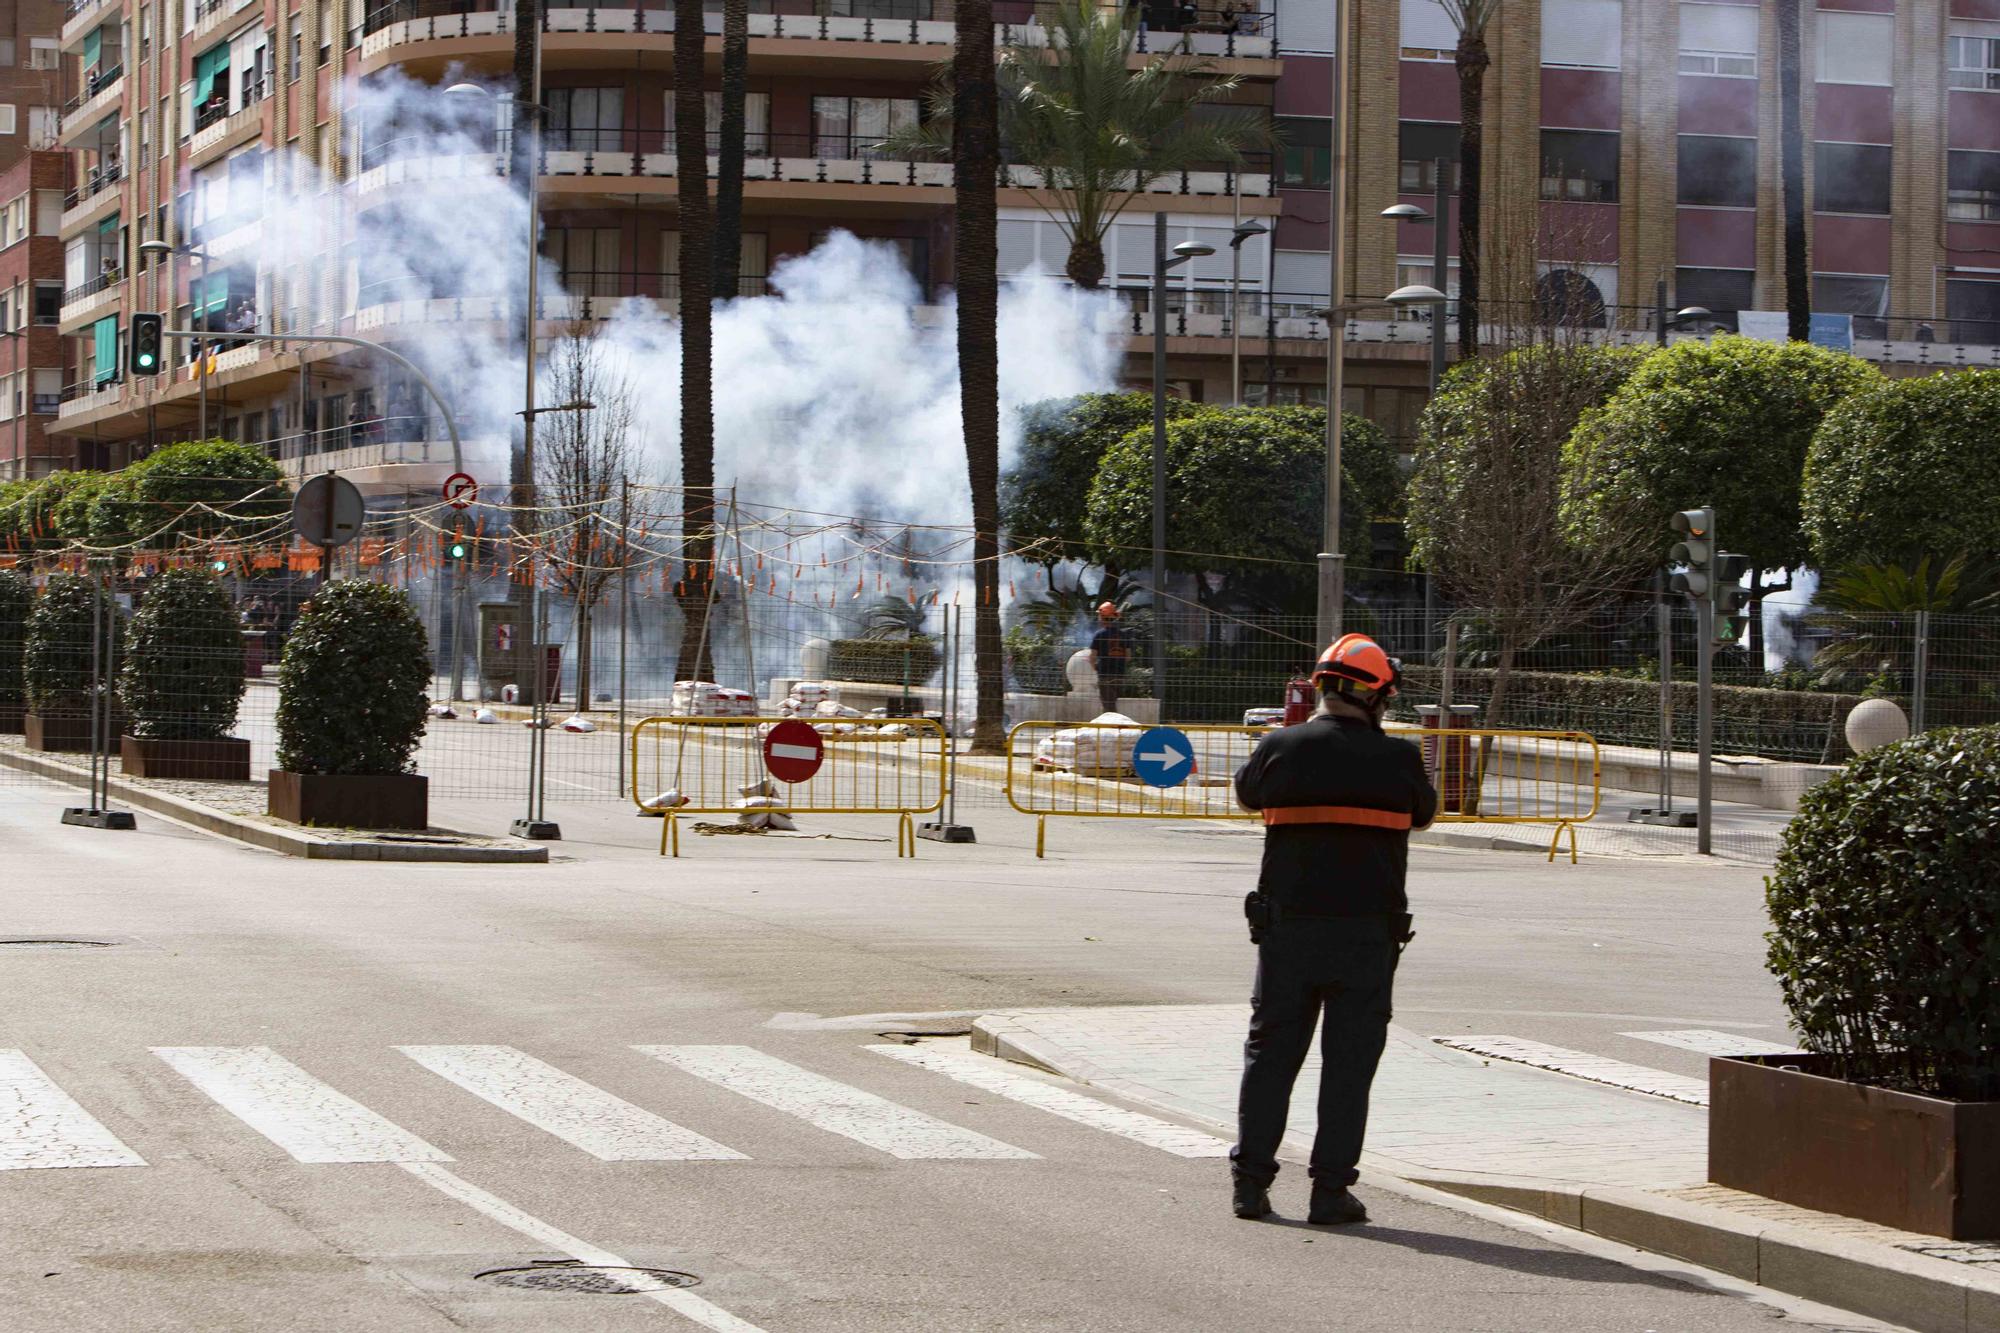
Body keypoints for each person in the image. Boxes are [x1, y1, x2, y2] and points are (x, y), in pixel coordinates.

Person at [1229, 633, 1437, 1226]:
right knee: (1349, 1066)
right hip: (1366, 938)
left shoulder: (1280, 747)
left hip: (1288, 932)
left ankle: (1250, 1186)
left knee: (1270, 1057)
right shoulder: (1398, 758)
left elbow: (1246, 797)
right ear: (1374, 696)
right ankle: (1329, 1193)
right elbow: (1424, 815)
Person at [1086, 602, 1132, 714]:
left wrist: (1096, 668)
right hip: (1120, 674)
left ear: (1103, 618)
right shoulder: (1123, 635)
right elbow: (1128, 656)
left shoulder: (1099, 635)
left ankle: (1111, 728)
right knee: (1112, 702)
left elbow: (1092, 657)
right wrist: (1119, 663)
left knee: (1108, 706)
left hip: (1105, 674)